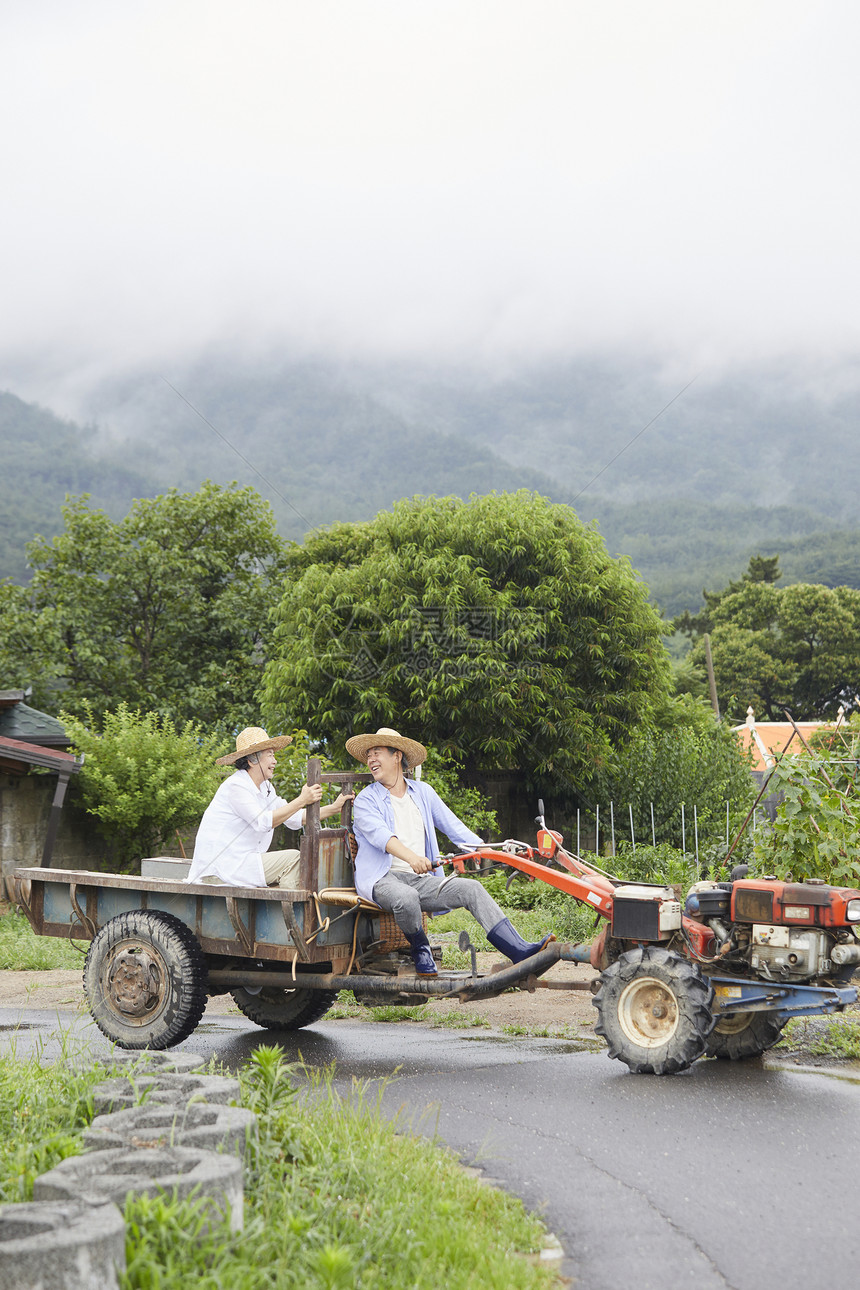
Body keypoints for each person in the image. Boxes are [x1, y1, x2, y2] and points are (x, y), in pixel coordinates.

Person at [346, 726, 554, 977]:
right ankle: (421, 949)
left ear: (397, 756)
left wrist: (492, 851)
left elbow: (454, 827)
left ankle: (518, 949)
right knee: (406, 897)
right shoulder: (367, 799)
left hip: (421, 880)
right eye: (368, 754)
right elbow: (382, 836)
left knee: (472, 889)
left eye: (377, 752)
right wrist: (413, 858)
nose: (371, 759)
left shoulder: (423, 793)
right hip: (384, 879)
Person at [187, 727, 352, 888]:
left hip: (241, 863)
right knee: (294, 859)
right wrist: (302, 799)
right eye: (270, 755)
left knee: (296, 859)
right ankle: (292, 912)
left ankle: (292, 909)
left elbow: (294, 819)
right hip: (222, 869)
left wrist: (335, 808)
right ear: (252, 760)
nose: (275, 761)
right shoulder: (236, 786)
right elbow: (262, 822)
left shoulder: (266, 788)